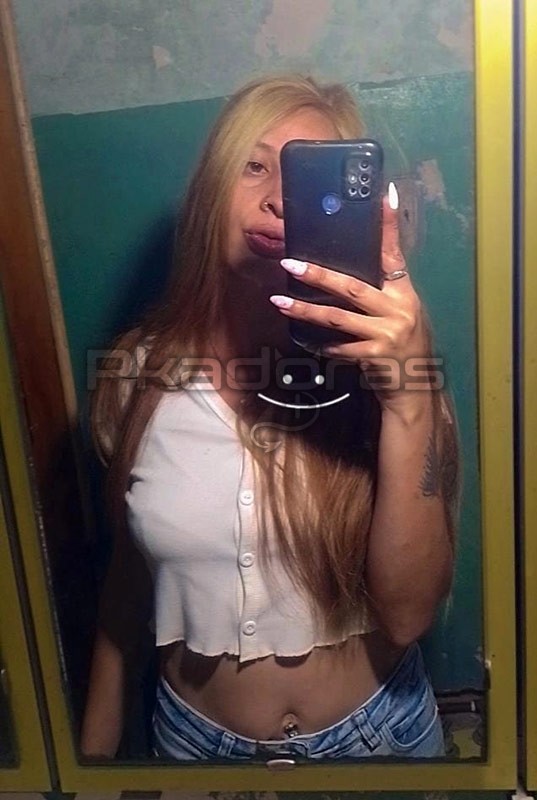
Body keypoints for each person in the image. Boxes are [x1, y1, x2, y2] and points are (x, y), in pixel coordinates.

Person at [80, 74, 459, 762]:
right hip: (193, 746)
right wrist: (93, 760)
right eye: (254, 166)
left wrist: (408, 401)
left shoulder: (391, 371)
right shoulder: (133, 377)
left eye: (306, 176)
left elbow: (408, 616)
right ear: (211, 189)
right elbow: (134, 577)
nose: (279, 198)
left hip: (379, 738)